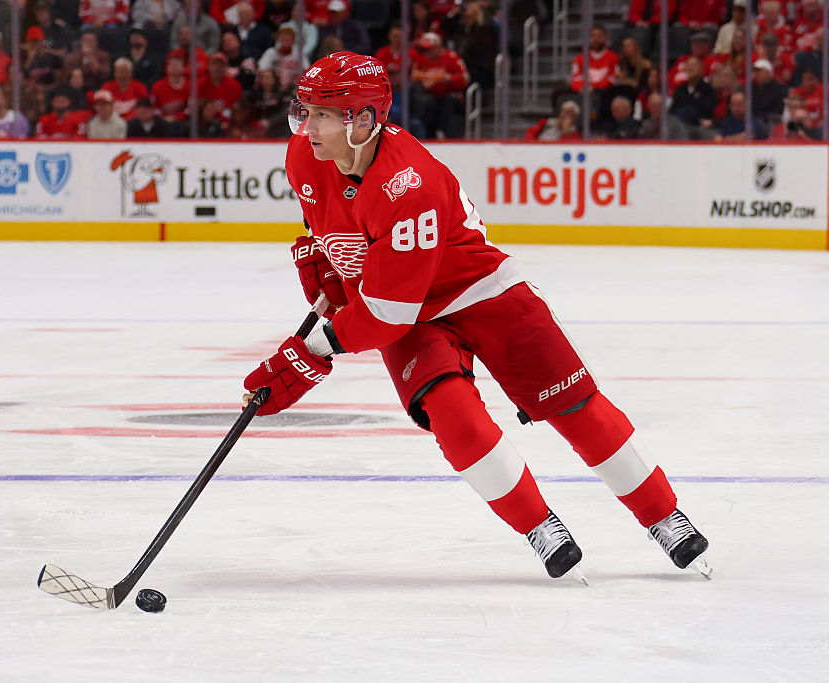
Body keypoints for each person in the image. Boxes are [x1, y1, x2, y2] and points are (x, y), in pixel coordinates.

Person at [244, 52, 711, 581]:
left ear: (364, 120)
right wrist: (326, 259)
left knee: (574, 405)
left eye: (323, 115)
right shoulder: (305, 156)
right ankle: (539, 526)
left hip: (480, 292)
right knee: (453, 418)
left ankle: (663, 515)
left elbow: (388, 315)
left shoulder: (408, 184)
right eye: (304, 112)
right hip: (407, 311)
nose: (307, 128)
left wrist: (313, 350)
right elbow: (329, 223)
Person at [409, 31, 469, 138]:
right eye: (424, 50)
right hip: (429, 98)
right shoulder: (420, 59)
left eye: (429, 49)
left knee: (449, 101)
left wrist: (448, 78)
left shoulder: (452, 57)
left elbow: (465, 78)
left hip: (449, 98)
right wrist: (425, 79)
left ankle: (445, 134)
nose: (426, 53)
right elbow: (413, 76)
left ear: (438, 47)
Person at [257, 25, 308, 91]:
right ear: (279, 39)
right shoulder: (271, 52)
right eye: (284, 39)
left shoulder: (299, 54)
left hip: (293, 83)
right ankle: (268, 96)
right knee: (267, 76)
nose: (286, 42)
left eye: (288, 40)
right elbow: (262, 68)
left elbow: (307, 70)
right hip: (275, 82)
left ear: (293, 41)